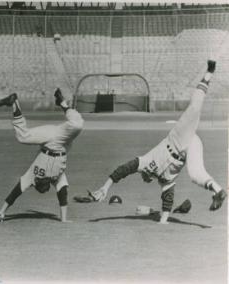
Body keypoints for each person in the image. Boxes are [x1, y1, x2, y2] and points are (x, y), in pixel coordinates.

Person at [90, 60, 226, 224]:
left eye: (143, 176)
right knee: (195, 174)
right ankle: (217, 191)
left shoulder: (145, 162)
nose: (145, 178)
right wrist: (163, 222)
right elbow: (168, 199)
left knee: (194, 108)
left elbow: (123, 170)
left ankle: (209, 73)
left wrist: (105, 187)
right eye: (146, 179)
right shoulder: (164, 180)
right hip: (188, 149)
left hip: (177, 137)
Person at [0, 88, 84, 223]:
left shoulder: (32, 176)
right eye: (46, 188)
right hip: (62, 142)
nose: (46, 188)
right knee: (77, 125)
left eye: (42, 187)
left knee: (22, 137)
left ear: (37, 182)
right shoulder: (57, 177)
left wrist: (2, 211)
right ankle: (62, 103)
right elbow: (62, 193)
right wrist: (63, 220)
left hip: (51, 138)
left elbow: (16, 192)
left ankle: (14, 102)